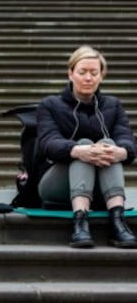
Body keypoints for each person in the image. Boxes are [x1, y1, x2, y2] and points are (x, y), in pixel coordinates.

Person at [36, 46, 137, 249]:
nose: (88, 78)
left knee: (109, 145)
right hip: (56, 184)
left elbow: (127, 139)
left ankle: (118, 221)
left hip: (101, 186)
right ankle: (80, 222)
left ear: (102, 76)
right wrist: (78, 150)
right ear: (71, 73)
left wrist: (122, 151)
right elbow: (48, 143)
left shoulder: (113, 105)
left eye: (94, 73)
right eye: (82, 72)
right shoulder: (50, 104)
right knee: (83, 146)